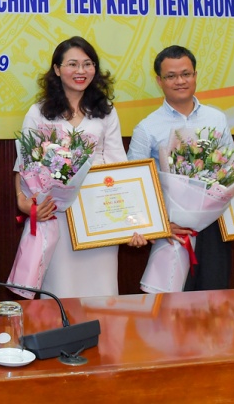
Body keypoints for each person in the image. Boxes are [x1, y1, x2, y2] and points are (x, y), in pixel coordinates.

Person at [126, 45, 234, 291]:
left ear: (195, 75)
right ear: (159, 81)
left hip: (214, 229)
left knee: (213, 303)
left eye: (186, 74)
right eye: (171, 76)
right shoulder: (147, 128)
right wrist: (156, 226)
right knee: (172, 305)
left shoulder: (216, 118)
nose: (180, 81)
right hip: (174, 231)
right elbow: (134, 184)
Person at [15, 36, 145, 298]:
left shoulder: (106, 111)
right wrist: (23, 202)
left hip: (99, 214)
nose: (81, 71)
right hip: (56, 214)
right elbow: (25, 164)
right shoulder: (38, 112)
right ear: (57, 69)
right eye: (72, 64)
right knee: (60, 290)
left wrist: (133, 220)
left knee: (101, 292)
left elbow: (118, 163)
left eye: (88, 64)